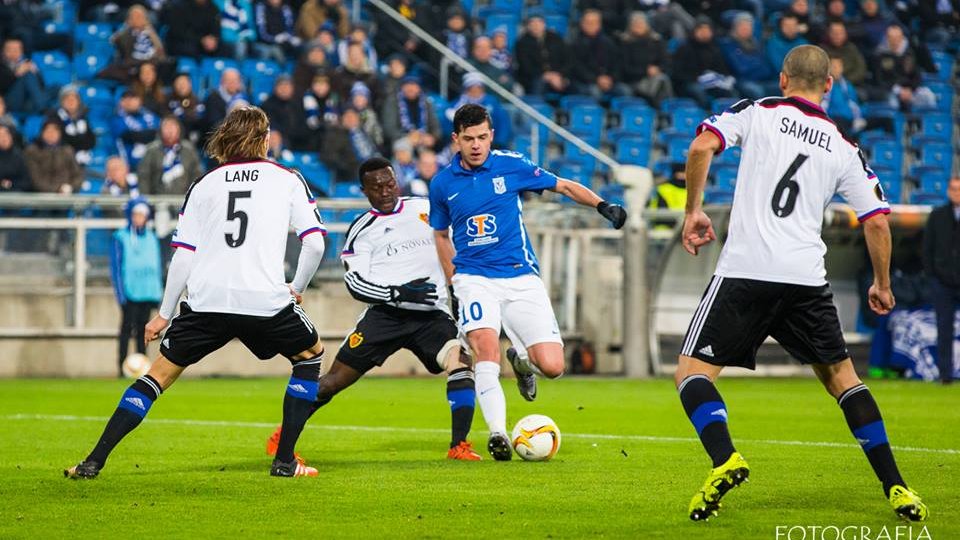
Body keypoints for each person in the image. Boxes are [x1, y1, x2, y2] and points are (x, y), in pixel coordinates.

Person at [676, 45, 927, 522]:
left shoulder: (758, 111)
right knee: (843, 381)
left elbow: (701, 146)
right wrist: (881, 283)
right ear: (829, 86)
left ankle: (725, 457)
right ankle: (897, 486)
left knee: (691, 373)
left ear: (783, 79)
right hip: (805, 279)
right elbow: (875, 220)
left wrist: (693, 211)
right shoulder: (843, 144)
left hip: (746, 271)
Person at [65, 105, 328, 480]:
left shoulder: (203, 184)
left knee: (156, 377)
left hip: (206, 301)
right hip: (263, 300)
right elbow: (315, 244)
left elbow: (183, 258)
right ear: (264, 139)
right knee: (309, 357)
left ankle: (93, 462)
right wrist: (297, 289)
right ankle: (285, 461)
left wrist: (164, 314)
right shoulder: (287, 179)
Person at [429, 104, 626, 460]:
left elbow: (563, 185)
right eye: (469, 139)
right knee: (485, 348)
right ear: (456, 140)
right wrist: (453, 281)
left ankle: (521, 363)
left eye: (483, 137)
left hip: (521, 277)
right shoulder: (442, 183)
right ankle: (498, 433)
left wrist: (602, 205)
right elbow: (440, 235)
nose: (476, 146)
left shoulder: (512, 165)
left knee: (552, 367)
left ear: (491, 135)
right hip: (474, 279)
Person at [265, 157, 481, 461]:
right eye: (377, 187)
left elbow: (457, 245)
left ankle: (459, 446)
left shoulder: (425, 209)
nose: (386, 190)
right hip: (385, 317)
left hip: (432, 315)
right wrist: (396, 292)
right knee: (333, 382)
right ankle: (283, 435)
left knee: (461, 361)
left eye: (390, 183)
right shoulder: (362, 229)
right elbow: (354, 283)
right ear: (365, 191)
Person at [109, 198, 163, 377]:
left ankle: (143, 367)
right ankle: (121, 367)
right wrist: (121, 294)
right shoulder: (121, 237)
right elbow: (116, 267)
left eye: (142, 215)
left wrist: (158, 293)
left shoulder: (151, 237)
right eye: (135, 214)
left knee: (144, 331)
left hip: (147, 292)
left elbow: (156, 265)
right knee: (126, 330)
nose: (138, 218)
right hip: (130, 291)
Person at [922, 177, 960, 385]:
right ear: (948, 191)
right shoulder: (937, 216)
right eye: (953, 189)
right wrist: (933, 275)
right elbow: (927, 248)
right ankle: (945, 374)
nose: (956, 193)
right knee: (944, 329)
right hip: (942, 282)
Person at [568, 9, 629, 100]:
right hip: (584, 82)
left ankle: (617, 114)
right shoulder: (575, 43)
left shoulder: (608, 43)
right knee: (594, 91)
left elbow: (617, 64)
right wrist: (596, 79)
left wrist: (611, 78)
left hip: (608, 81)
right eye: (588, 22)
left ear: (599, 25)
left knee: (625, 91)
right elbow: (577, 68)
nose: (591, 26)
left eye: (594, 23)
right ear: (582, 24)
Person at [137, 116, 202, 195]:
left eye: (173, 127)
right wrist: (146, 199)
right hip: (157, 200)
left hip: (183, 200)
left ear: (179, 130)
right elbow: (144, 177)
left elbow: (196, 176)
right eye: (167, 127)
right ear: (161, 130)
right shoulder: (151, 151)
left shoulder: (189, 150)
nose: (170, 130)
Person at [620, 12, 673, 107]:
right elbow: (624, 68)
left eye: (641, 24)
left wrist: (657, 69)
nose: (638, 26)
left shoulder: (657, 41)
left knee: (662, 79)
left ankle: (664, 110)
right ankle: (660, 110)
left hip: (656, 77)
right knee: (660, 81)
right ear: (630, 26)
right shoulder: (625, 43)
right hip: (634, 80)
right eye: (635, 24)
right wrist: (645, 71)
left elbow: (666, 63)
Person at [514, 12, 569, 96]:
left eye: (539, 23)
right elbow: (526, 67)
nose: (536, 26)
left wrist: (559, 74)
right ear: (528, 26)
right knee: (538, 85)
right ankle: (537, 108)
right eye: (533, 24)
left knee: (573, 85)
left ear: (544, 24)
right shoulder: (522, 42)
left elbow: (567, 59)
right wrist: (546, 76)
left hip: (557, 75)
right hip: (535, 77)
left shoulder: (556, 38)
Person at [381, 75, 440, 152]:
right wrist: (408, 136)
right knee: (403, 146)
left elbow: (436, 126)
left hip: (422, 137)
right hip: (401, 138)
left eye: (414, 85)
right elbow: (389, 129)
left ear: (419, 88)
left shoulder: (426, 103)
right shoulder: (392, 102)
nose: (411, 88)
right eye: (407, 85)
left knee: (427, 154)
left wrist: (433, 137)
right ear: (402, 87)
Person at [24, 119, 82, 194]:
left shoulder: (67, 150)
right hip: (41, 198)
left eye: (55, 131)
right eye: (48, 131)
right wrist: (57, 189)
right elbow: (34, 179)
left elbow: (78, 175)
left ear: (60, 134)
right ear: (42, 133)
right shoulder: (32, 151)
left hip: (65, 197)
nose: (51, 134)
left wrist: (70, 187)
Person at [47, 85, 96, 167]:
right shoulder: (54, 118)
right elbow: (58, 140)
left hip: (82, 157)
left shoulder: (83, 118)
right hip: (61, 159)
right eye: (67, 99)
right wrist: (77, 146)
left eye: (74, 99)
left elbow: (92, 141)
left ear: (78, 102)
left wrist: (81, 147)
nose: (71, 102)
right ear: (62, 102)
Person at [112, 91, 160, 169]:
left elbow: (160, 131)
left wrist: (149, 134)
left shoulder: (150, 116)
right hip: (130, 165)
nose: (131, 102)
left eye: (134, 99)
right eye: (127, 100)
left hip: (153, 163)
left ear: (140, 101)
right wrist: (151, 134)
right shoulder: (117, 119)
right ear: (121, 102)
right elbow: (131, 136)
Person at [0, 38, 46, 114]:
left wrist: (36, 72)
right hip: (8, 102)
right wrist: (16, 74)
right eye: (10, 49)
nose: (14, 52)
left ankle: (41, 106)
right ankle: (42, 108)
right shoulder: (1, 66)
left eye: (17, 49)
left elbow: (41, 86)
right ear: (3, 52)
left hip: (27, 101)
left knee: (56, 88)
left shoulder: (27, 63)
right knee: (27, 75)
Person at [0, 124, 30, 193]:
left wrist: (11, 184)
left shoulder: (19, 156)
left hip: (17, 195)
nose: (3, 138)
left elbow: (27, 182)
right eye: (0, 136)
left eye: (6, 135)